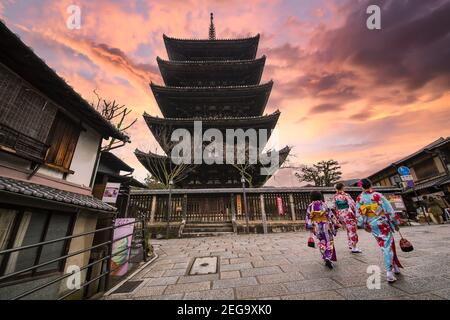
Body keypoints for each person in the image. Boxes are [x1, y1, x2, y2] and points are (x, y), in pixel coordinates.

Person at [355, 179, 403, 283]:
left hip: (372, 225)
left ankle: (395, 266)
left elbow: (358, 213)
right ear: (371, 185)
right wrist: (395, 223)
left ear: (361, 187)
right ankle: (389, 272)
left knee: (385, 246)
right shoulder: (378, 195)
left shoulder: (360, 198)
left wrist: (363, 224)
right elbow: (389, 210)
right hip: (383, 223)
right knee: (387, 247)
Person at [306, 191, 340, 269]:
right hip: (326, 225)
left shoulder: (310, 206)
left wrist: (310, 226)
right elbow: (330, 215)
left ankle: (325, 257)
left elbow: (308, 217)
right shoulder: (324, 204)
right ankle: (328, 257)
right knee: (329, 241)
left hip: (317, 226)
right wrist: (336, 223)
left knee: (322, 241)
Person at [332, 183, 362, 253]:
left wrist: (338, 214)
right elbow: (352, 205)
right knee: (352, 230)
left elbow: (334, 206)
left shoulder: (335, 196)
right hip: (348, 214)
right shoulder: (346, 195)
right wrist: (356, 214)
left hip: (341, 215)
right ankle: (354, 247)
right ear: (342, 187)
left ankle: (350, 244)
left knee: (349, 230)